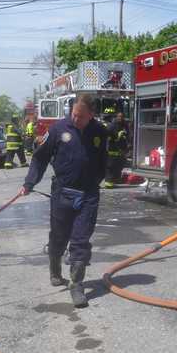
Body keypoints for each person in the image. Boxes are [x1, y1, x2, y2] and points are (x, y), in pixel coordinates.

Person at [19, 94, 107, 308]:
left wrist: (98, 180)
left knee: (81, 239)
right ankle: (55, 268)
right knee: (59, 237)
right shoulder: (58, 129)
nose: (76, 119)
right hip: (62, 193)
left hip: (88, 195)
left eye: (81, 116)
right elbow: (40, 158)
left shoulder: (100, 132)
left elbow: (104, 159)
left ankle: (76, 284)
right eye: (74, 114)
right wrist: (29, 183)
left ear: (91, 115)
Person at [104, 112, 129, 189]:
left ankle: (115, 180)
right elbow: (111, 137)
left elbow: (128, 134)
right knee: (111, 166)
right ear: (116, 117)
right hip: (112, 149)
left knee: (119, 166)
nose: (120, 118)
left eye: (122, 116)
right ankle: (108, 182)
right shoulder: (112, 126)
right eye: (119, 116)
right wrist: (118, 135)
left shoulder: (124, 125)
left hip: (121, 149)